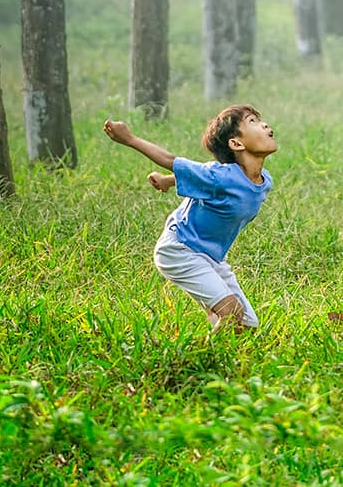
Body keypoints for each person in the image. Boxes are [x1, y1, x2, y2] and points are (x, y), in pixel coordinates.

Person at [103, 106, 276, 331]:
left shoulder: (264, 181)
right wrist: (129, 139)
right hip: (180, 249)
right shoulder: (220, 176)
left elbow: (202, 180)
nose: (264, 125)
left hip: (211, 258)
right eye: (252, 121)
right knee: (232, 314)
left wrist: (167, 181)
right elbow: (170, 159)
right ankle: (195, 360)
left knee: (246, 325)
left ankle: (220, 335)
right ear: (236, 144)